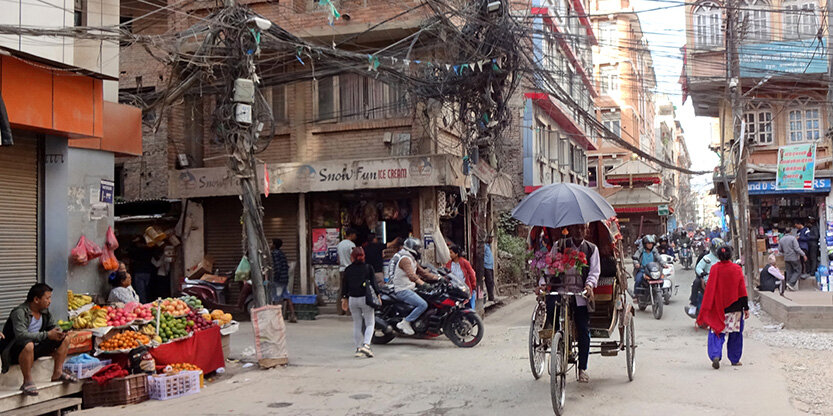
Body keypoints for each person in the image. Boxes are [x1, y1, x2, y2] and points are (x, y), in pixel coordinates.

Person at [540, 223, 599, 384]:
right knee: (551, 306)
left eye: (582, 228)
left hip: (580, 292)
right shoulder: (560, 245)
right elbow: (549, 265)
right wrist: (543, 282)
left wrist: (589, 286)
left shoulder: (591, 249)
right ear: (570, 230)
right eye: (576, 228)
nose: (579, 231)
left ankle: (582, 369)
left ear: (586, 230)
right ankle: (555, 335)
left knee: (583, 329)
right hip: (561, 289)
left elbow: (594, 272)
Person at [0, 283, 76, 396]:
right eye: (47, 298)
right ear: (36, 299)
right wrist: (47, 335)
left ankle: (57, 373)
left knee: (65, 338)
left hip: (35, 348)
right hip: (15, 350)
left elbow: (53, 327)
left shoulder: (45, 312)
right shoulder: (19, 312)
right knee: (28, 344)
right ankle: (27, 381)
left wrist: (60, 333)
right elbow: (21, 336)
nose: (49, 301)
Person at [697, 245, 749, 369]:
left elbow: (710, 288)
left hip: (719, 307)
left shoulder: (714, 269)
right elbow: (741, 290)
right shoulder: (737, 269)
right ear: (730, 255)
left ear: (718, 256)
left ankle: (715, 355)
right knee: (736, 334)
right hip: (735, 307)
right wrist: (745, 308)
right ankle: (735, 359)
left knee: (717, 330)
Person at [391, 237, 440, 335]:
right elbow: (411, 275)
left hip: (410, 288)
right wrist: (423, 284)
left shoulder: (412, 259)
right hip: (402, 289)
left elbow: (423, 273)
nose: (419, 250)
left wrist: (438, 278)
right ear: (411, 248)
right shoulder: (405, 259)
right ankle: (406, 322)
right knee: (423, 304)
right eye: (417, 248)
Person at [340, 247, 381, 358]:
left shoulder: (348, 269)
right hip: (365, 299)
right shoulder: (368, 268)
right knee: (370, 323)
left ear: (352, 257)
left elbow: (345, 286)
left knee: (357, 324)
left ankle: (358, 349)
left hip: (353, 299)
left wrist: (344, 299)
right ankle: (366, 345)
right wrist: (378, 295)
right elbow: (374, 283)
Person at [690, 238, 725, 316]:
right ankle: (693, 305)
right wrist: (702, 273)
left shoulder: (723, 259)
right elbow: (698, 267)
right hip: (706, 279)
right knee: (696, 282)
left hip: (720, 281)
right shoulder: (706, 258)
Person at [270, 239, 297, 323]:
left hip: (279, 279)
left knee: (276, 298)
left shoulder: (275, 253)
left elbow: (277, 268)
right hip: (285, 278)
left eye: (271, 243)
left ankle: (276, 317)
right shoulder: (281, 253)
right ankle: (293, 315)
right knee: (287, 296)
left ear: (274, 245)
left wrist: (275, 278)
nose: (270, 244)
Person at [446, 245, 477, 309]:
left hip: (464, 288)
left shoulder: (465, 262)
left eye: (451, 253)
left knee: (468, 306)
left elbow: (472, 274)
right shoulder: (449, 264)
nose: (450, 255)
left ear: (456, 254)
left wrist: (473, 286)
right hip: (454, 288)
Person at [337, 228, 358, 314]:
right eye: (355, 235)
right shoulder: (351, 245)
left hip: (341, 269)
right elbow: (353, 257)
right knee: (350, 290)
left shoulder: (340, 244)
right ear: (351, 235)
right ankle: (348, 311)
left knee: (342, 290)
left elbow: (338, 258)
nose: (356, 236)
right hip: (350, 269)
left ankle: (340, 310)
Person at [778, 227, 806, 291]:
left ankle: (788, 284)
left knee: (789, 271)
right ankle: (791, 283)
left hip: (786, 258)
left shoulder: (781, 239)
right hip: (794, 257)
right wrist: (803, 254)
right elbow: (797, 248)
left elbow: (780, 249)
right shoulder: (793, 238)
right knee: (798, 270)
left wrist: (785, 252)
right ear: (790, 232)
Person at [483, 236, 496, 302]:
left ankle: (491, 296)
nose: (492, 240)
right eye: (490, 238)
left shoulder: (488, 246)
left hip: (490, 267)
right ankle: (491, 297)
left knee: (491, 282)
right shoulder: (484, 247)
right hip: (486, 266)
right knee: (489, 282)